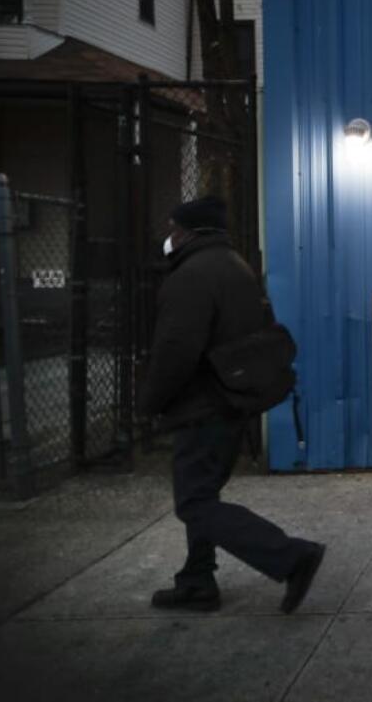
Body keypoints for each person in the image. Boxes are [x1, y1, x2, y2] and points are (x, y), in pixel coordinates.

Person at [142, 195, 324, 613]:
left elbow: (176, 348)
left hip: (201, 403)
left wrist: (150, 400)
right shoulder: (235, 268)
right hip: (230, 400)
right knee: (204, 494)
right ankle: (196, 580)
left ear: (189, 232)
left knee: (194, 502)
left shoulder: (192, 275)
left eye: (174, 229)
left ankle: (291, 556)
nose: (169, 236)